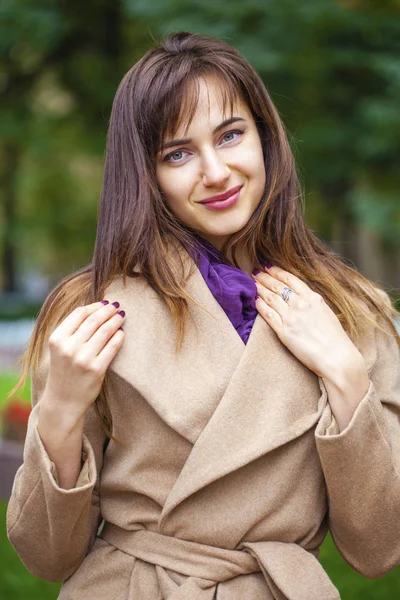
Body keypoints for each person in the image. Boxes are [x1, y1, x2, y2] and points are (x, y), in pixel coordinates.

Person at [6, 31, 400, 600]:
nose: (215, 172)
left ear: (266, 139)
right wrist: (61, 412)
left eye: (231, 135)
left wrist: (346, 375)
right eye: (178, 153)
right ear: (146, 175)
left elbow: (379, 548)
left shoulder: (351, 312)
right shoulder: (94, 313)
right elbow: (45, 556)